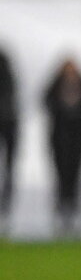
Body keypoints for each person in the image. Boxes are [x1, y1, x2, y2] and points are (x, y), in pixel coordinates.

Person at [44, 58, 81, 237]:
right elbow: (44, 99)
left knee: (76, 177)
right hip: (58, 141)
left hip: (78, 141)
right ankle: (61, 214)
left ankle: (75, 215)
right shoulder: (55, 88)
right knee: (60, 178)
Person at [0, 45, 17, 232]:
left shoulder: (4, 62)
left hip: (8, 123)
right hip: (9, 121)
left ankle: (5, 214)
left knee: (8, 171)